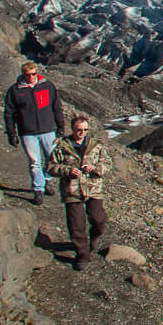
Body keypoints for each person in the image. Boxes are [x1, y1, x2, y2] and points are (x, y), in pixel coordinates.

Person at [48, 113, 112, 267]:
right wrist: (67, 171)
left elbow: (108, 164)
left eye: (85, 130)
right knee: (76, 225)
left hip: (93, 188)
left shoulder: (96, 145)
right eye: (79, 130)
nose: (82, 133)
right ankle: (82, 255)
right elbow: (50, 167)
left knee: (98, 218)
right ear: (72, 129)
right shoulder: (62, 146)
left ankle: (95, 236)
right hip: (72, 190)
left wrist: (95, 168)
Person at [3, 61, 65, 205]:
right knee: (34, 162)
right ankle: (38, 190)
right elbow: (9, 113)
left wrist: (60, 126)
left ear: (37, 73)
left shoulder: (47, 86)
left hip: (48, 130)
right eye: (27, 75)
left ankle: (45, 180)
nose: (31, 77)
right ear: (23, 74)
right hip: (27, 132)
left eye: (33, 74)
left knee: (54, 159)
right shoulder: (15, 91)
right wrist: (12, 133)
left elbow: (57, 107)